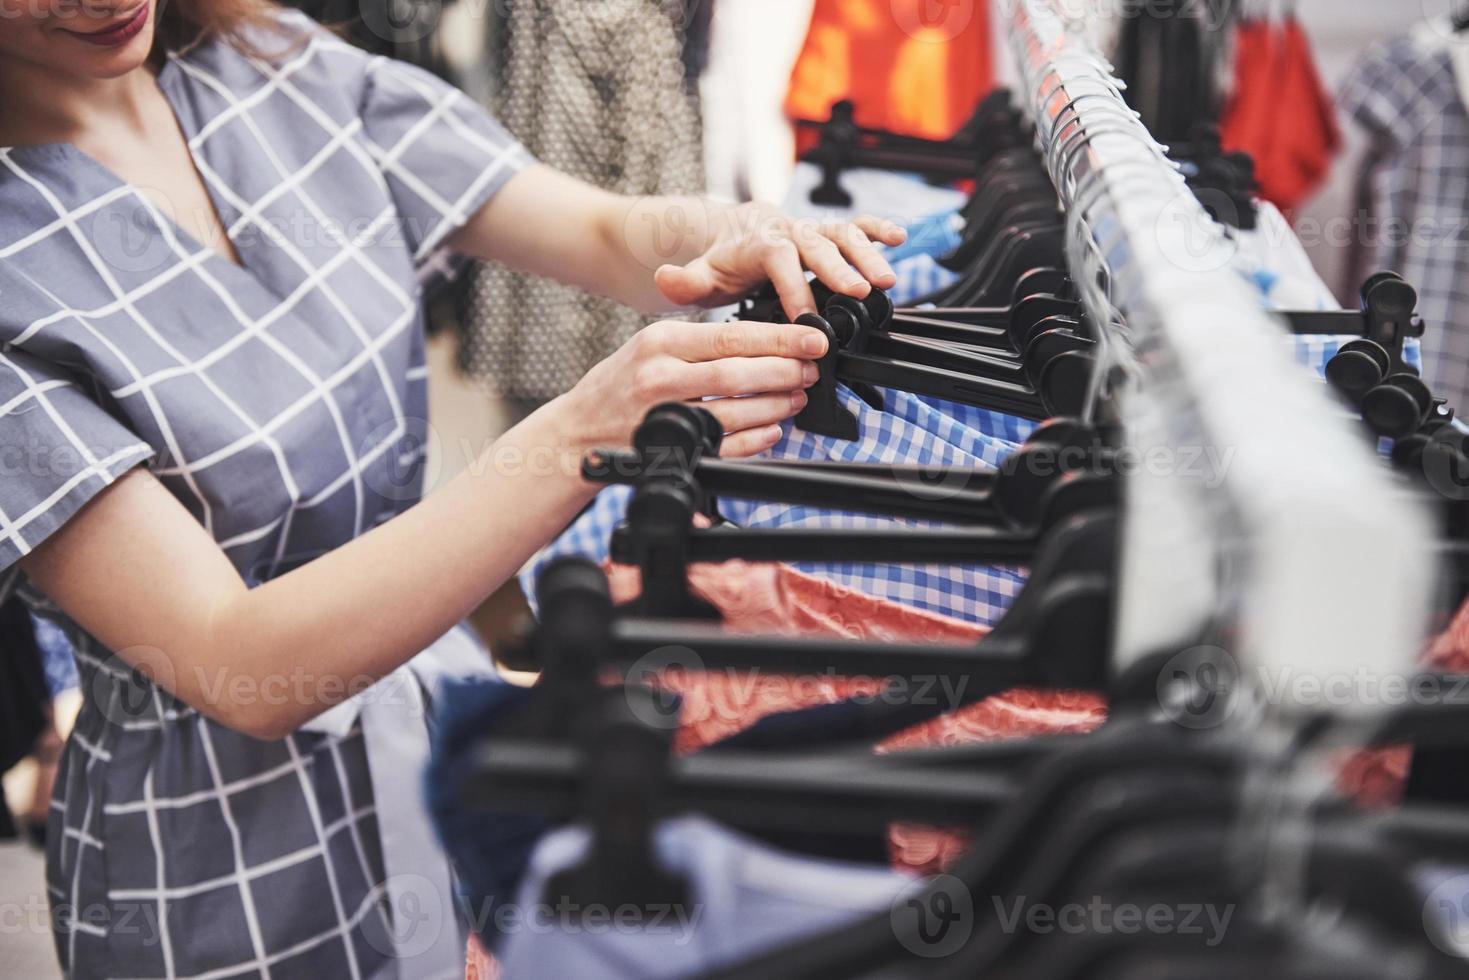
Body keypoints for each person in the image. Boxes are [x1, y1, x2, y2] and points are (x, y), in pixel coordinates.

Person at [0, 0, 905, 976]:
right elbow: (230, 659)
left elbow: (602, 229)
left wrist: (732, 232)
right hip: (218, 847)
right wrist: (573, 437)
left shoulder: (272, 64)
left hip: (433, 746)